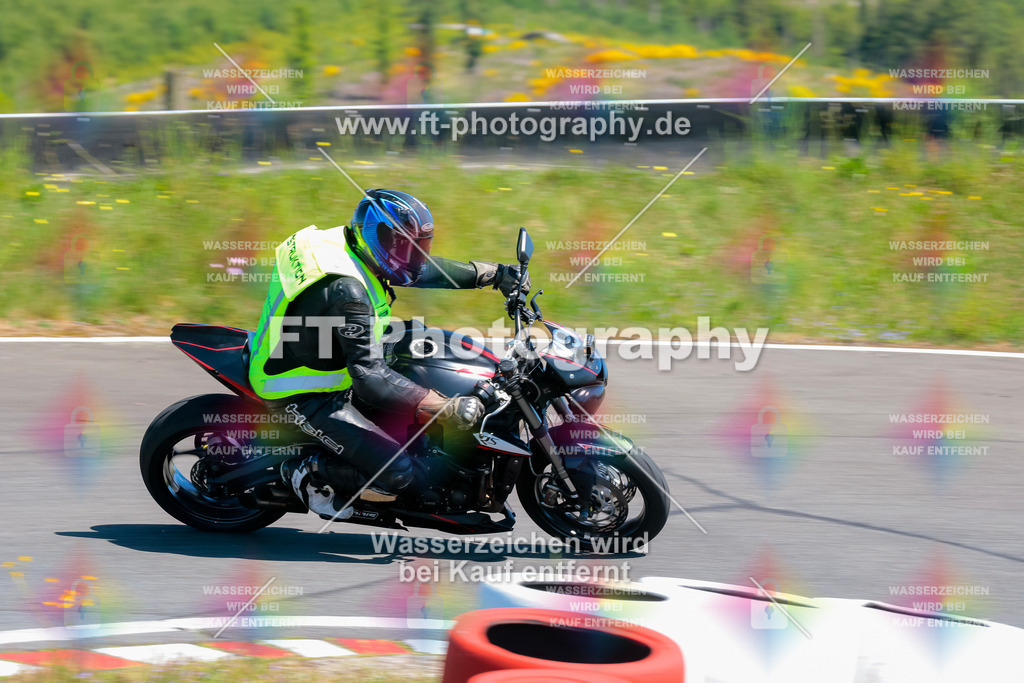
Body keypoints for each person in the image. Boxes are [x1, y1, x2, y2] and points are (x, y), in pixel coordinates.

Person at [247, 189, 529, 519]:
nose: (416, 257)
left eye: (419, 247)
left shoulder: (344, 243)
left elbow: (421, 271)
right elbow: (370, 378)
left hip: (322, 347)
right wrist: (444, 406)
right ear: (376, 236)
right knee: (401, 472)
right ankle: (306, 475)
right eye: (405, 247)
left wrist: (493, 275)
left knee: (421, 349)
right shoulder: (349, 293)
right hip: (302, 391)